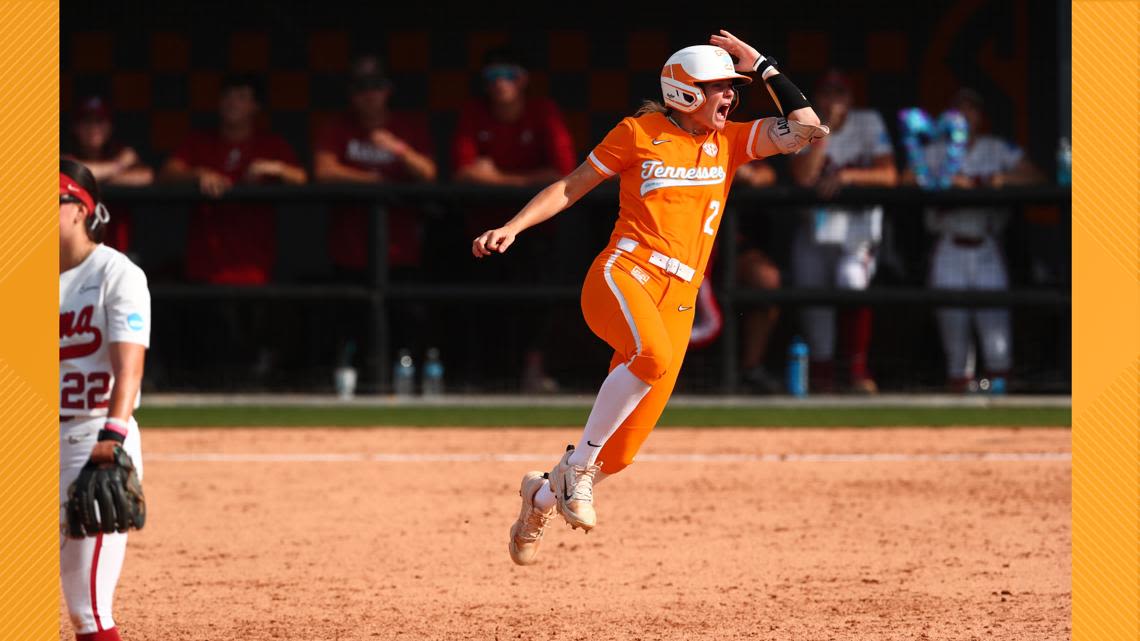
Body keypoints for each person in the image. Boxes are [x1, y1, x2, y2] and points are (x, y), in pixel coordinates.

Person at [473, 31, 827, 565]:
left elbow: (807, 129)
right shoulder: (639, 133)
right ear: (683, 92)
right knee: (651, 359)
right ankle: (574, 472)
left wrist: (763, 66)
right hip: (625, 275)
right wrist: (514, 225)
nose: (729, 96)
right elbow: (571, 186)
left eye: (731, 88)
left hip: (679, 297)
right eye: (717, 88)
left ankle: (541, 496)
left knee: (619, 455)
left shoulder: (730, 140)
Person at [59, 158, 151, 640]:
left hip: (89, 439)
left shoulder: (116, 274)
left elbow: (128, 368)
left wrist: (112, 437)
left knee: (87, 608)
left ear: (80, 208)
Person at [454, 47, 577, 393]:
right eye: (492, 77)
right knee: (486, 306)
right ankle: (487, 376)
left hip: (534, 231)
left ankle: (532, 371)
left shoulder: (543, 112)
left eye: (507, 76)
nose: (500, 85)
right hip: (484, 233)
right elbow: (464, 173)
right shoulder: (474, 113)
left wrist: (500, 177)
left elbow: (565, 174)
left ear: (522, 80)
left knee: (536, 304)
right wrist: (528, 178)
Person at [915, 88, 1043, 393]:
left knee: (995, 329)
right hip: (949, 246)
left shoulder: (994, 148)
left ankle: (1000, 400)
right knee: (954, 336)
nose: (964, 115)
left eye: (971, 109)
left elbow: (1036, 176)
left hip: (986, 246)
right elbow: (907, 177)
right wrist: (945, 180)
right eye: (958, 109)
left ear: (980, 116)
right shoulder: (935, 150)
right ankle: (959, 401)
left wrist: (995, 181)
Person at [788, 70, 898, 394]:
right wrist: (825, 131)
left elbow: (891, 175)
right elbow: (804, 177)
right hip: (814, 229)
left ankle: (856, 371)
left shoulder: (868, 122)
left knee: (852, 283)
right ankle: (821, 379)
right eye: (827, 93)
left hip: (856, 230)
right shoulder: (803, 123)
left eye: (841, 94)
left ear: (851, 98)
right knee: (813, 302)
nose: (834, 101)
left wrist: (848, 176)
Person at [160, 74, 307, 285]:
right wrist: (198, 174)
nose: (232, 103)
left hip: (254, 266)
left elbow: (301, 178)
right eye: (227, 96)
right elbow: (166, 174)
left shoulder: (270, 144)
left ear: (255, 106)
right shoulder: (200, 141)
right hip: (206, 265)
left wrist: (275, 168)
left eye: (241, 97)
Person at [313, 54, 437, 279]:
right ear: (351, 93)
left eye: (376, 86)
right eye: (361, 88)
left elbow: (428, 173)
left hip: (400, 246)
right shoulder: (337, 126)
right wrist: (373, 180)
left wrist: (398, 149)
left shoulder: (408, 126)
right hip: (349, 248)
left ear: (387, 90)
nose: (369, 95)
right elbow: (324, 171)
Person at [63, 95, 154, 252]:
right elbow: (69, 171)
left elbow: (146, 176)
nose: (93, 128)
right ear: (76, 127)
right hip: (74, 254)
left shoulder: (117, 152)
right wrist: (118, 166)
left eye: (99, 121)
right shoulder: (66, 159)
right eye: (87, 122)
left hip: (116, 250)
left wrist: (98, 178)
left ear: (109, 127)